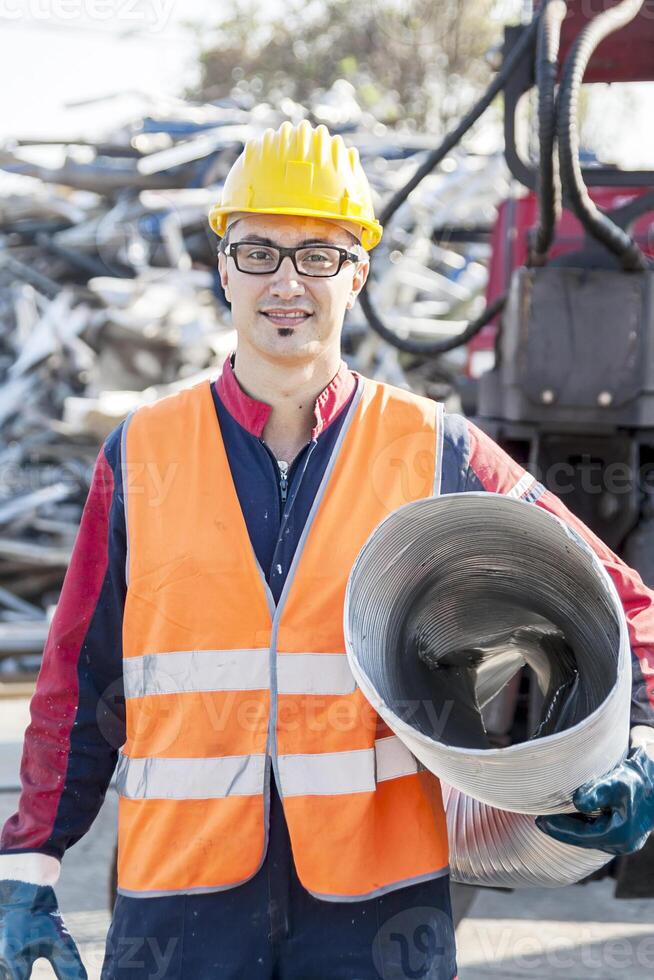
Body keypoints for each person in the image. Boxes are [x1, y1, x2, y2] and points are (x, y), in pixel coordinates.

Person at [0, 120, 653, 980]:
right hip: (180, 909)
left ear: (359, 273)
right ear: (223, 265)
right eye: (260, 250)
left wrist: (641, 743)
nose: (286, 283)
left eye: (318, 255)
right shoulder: (142, 453)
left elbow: (616, 599)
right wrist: (30, 865)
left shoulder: (436, 450)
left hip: (377, 915)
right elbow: (78, 683)